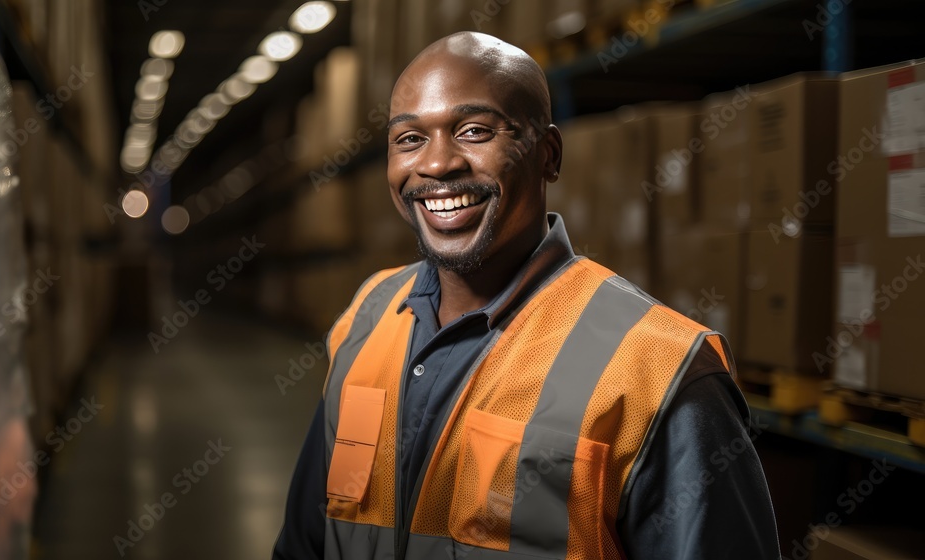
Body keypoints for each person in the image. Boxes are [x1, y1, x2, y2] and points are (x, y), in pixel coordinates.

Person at [273, 32, 779, 559]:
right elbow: (306, 540)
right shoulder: (367, 316)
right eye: (409, 139)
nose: (438, 164)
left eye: (474, 131)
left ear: (548, 155)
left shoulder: (657, 369)